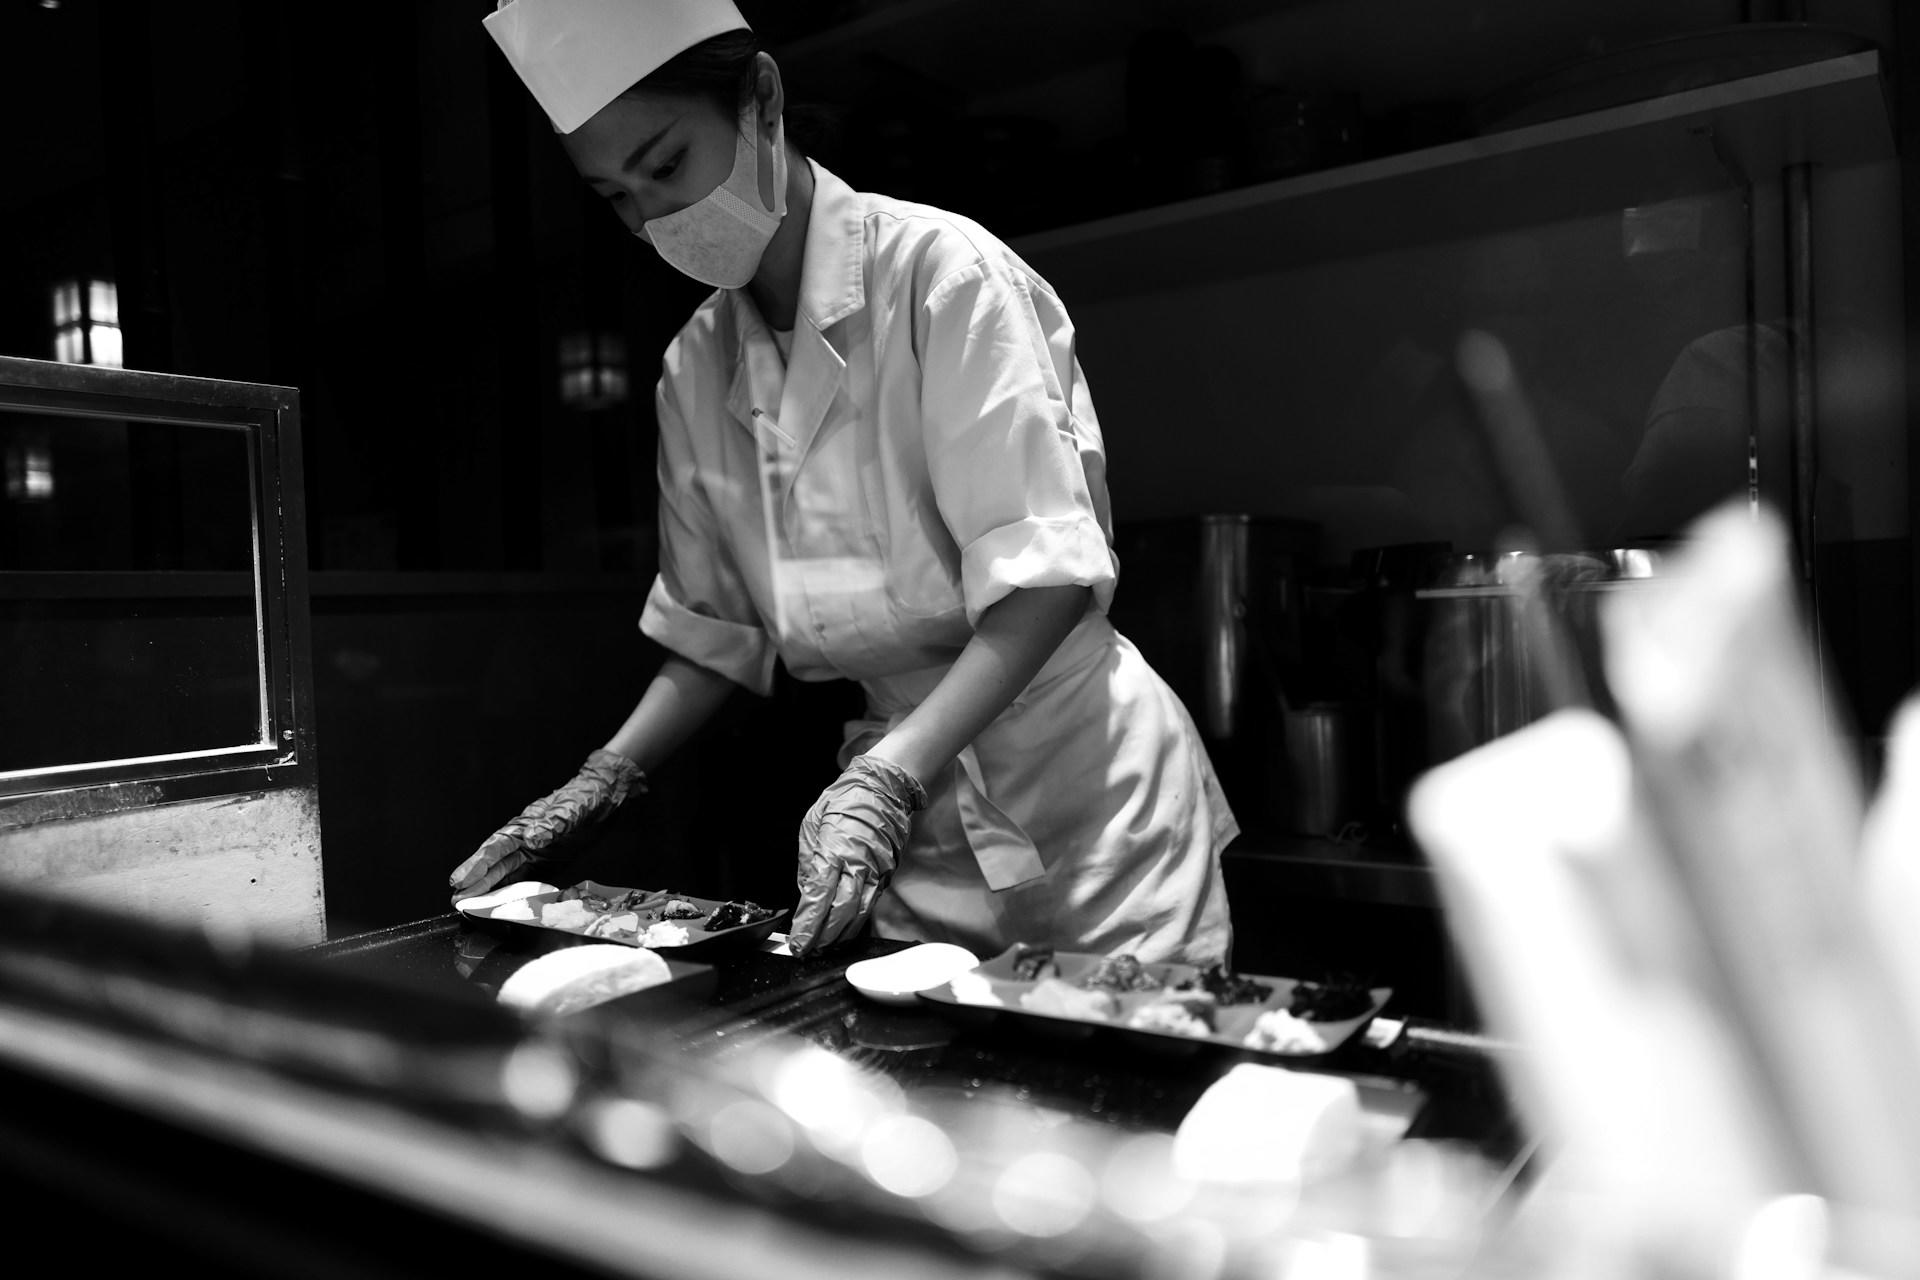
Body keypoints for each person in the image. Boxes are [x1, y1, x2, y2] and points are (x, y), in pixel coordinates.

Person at [453, 0, 1236, 963]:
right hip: (913, 834)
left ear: (761, 98)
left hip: (1090, 806)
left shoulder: (943, 274)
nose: (654, 218)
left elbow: (1047, 580)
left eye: (667, 165)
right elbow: (716, 633)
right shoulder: (694, 367)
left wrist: (886, 779)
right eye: (617, 196)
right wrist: (600, 780)